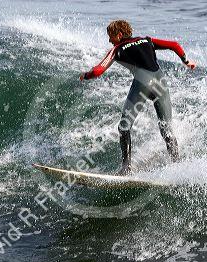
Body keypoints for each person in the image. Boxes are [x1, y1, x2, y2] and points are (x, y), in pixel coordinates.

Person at [80, 20, 196, 175]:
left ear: (119, 35)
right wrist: (186, 62)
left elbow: (97, 71)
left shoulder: (117, 49)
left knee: (124, 127)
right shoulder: (147, 40)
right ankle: (177, 165)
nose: (109, 40)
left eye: (110, 36)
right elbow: (174, 45)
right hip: (161, 82)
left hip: (143, 82)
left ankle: (126, 168)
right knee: (166, 129)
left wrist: (85, 76)